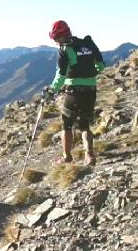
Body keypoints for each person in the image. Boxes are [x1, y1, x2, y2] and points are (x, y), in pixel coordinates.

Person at [45, 20, 105, 166]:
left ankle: (67, 157)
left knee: (67, 124)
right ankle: (89, 155)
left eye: (56, 39)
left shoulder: (65, 49)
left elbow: (61, 74)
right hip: (91, 89)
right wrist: (90, 75)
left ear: (59, 37)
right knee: (84, 124)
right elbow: (101, 66)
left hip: (73, 91)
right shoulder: (88, 43)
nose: (56, 42)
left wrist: (52, 90)